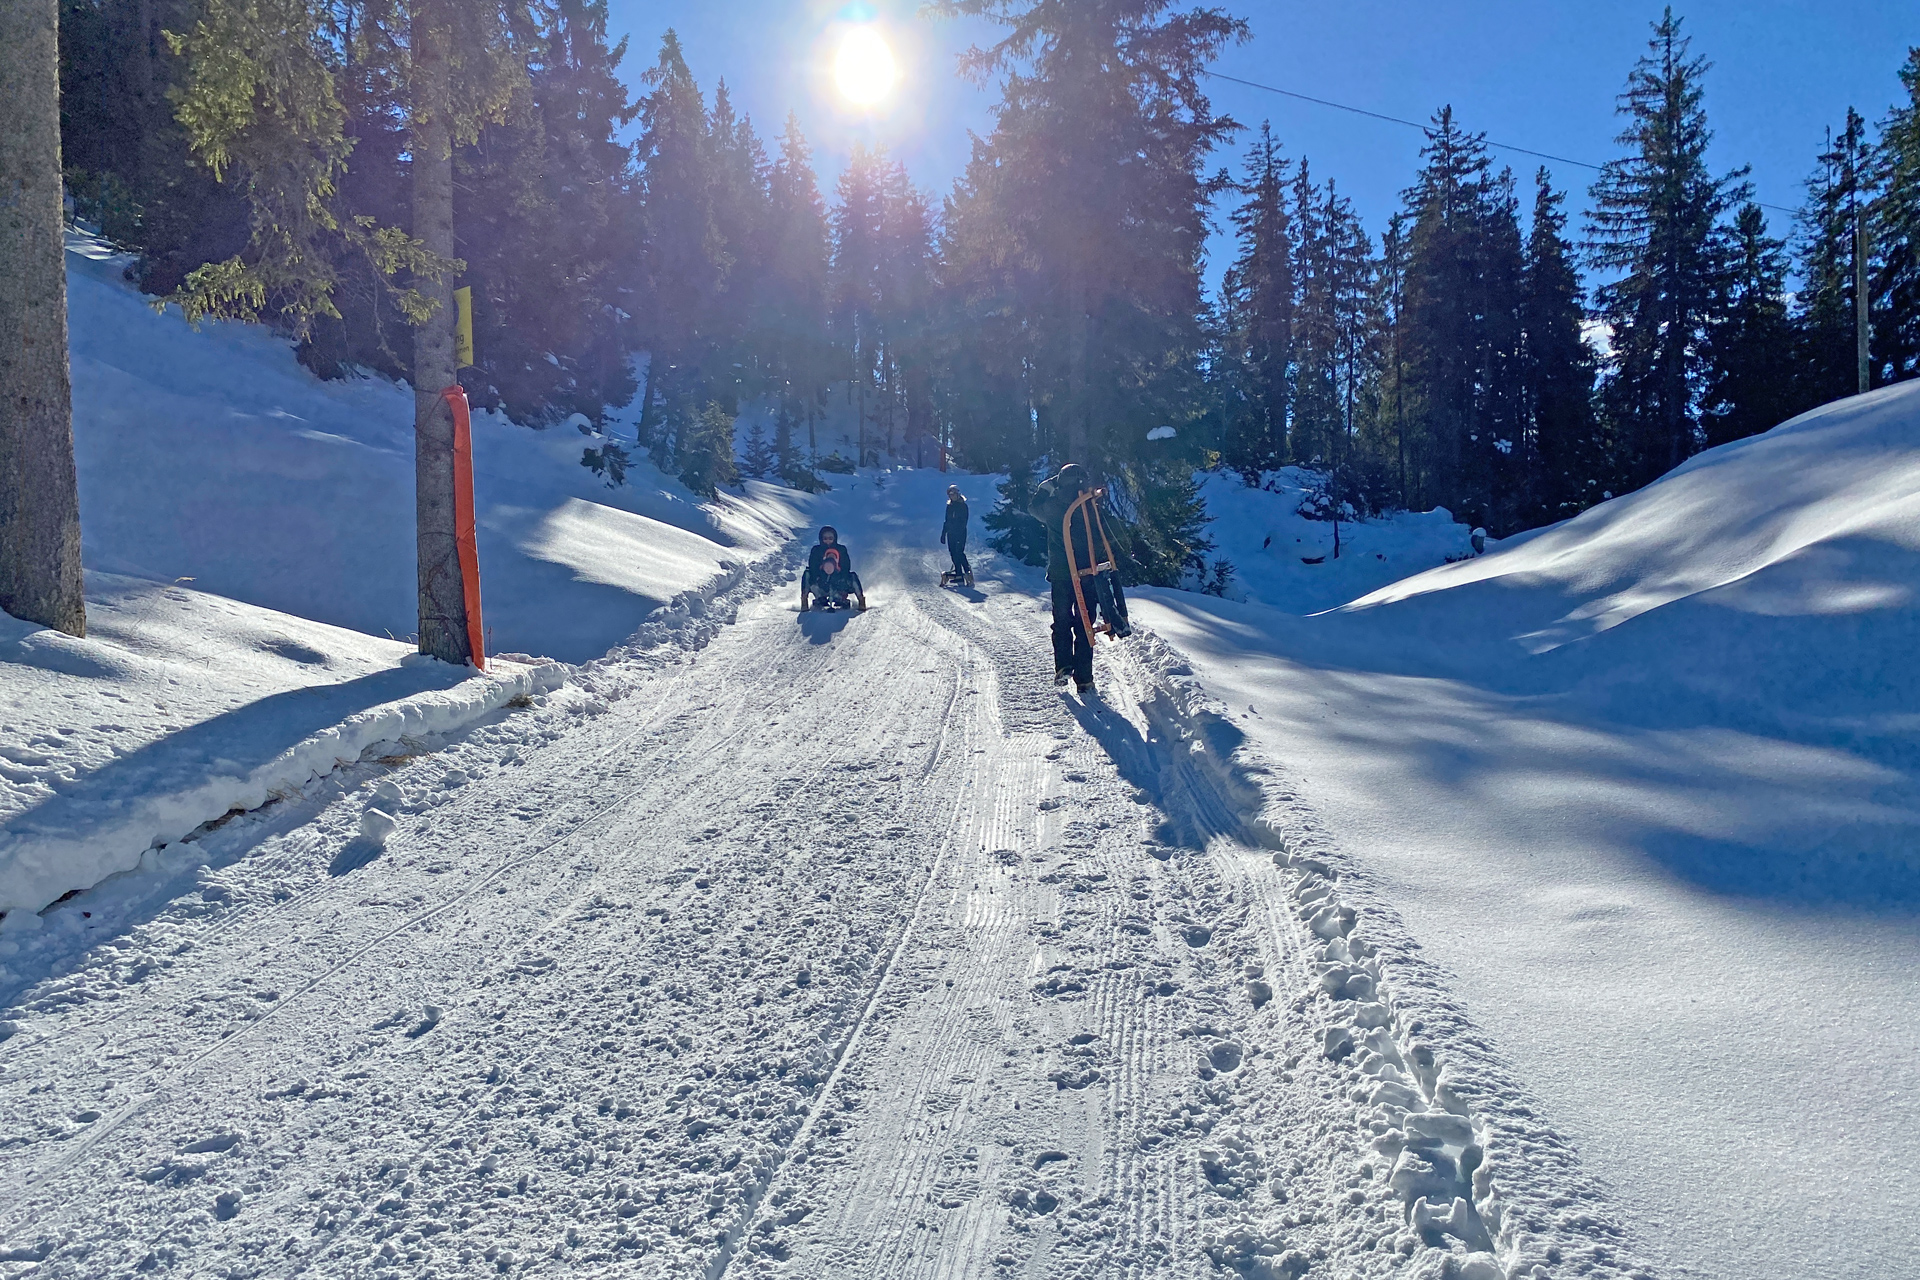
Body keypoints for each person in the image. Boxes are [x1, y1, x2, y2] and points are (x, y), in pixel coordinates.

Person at [1028, 463, 1129, 692]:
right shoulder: (1092, 507)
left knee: (1062, 621)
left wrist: (1045, 489)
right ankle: (1084, 678)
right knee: (1085, 623)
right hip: (1088, 574)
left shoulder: (1054, 506)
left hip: (1062, 575)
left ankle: (1063, 666)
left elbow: (1033, 508)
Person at [801, 525, 865, 611]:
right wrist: (818, 577)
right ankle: (804, 599)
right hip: (820, 581)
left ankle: (861, 599)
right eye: (825, 538)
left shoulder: (841, 549)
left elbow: (846, 566)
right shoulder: (816, 550)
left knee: (853, 576)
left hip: (839, 582)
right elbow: (812, 565)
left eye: (830, 538)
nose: (828, 541)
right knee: (807, 573)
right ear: (821, 538)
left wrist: (842, 579)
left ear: (834, 538)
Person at [940, 484, 973, 586]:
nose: (952, 496)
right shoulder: (950, 506)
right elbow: (947, 521)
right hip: (951, 534)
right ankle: (958, 574)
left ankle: (967, 571)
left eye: (953, 494)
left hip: (960, 533)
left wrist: (959, 533)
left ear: (958, 494)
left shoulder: (963, 506)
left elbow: (964, 521)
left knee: (959, 552)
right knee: (953, 553)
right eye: (950, 495)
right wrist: (943, 533)